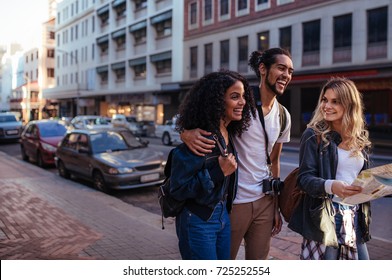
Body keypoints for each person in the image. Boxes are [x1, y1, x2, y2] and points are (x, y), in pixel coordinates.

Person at [181, 48, 294, 259]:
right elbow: (203, 115)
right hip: (233, 202)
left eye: (290, 71)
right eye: (281, 68)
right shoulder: (241, 103)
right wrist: (185, 132)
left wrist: (276, 207)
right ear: (263, 69)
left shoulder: (283, 116)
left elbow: (275, 161)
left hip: (265, 203)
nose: (286, 75)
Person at [168, 69, 254, 260]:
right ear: (216, 101)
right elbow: (178, 189)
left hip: (222, 215)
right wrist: (217, 173)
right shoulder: (201, 138)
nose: (242, 102)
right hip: (198, 218)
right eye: (234, 97)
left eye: (243, 96)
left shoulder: (228, 133)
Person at [288, 77, 372, 260]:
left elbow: (362, 179)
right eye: (325, 100)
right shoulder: (313, 135)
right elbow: (304, 179)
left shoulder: (360, 139)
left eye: (335, 101)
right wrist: (331, 186)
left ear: (349, 105)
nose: (326, 105)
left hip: (355, 215)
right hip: (326, 215)